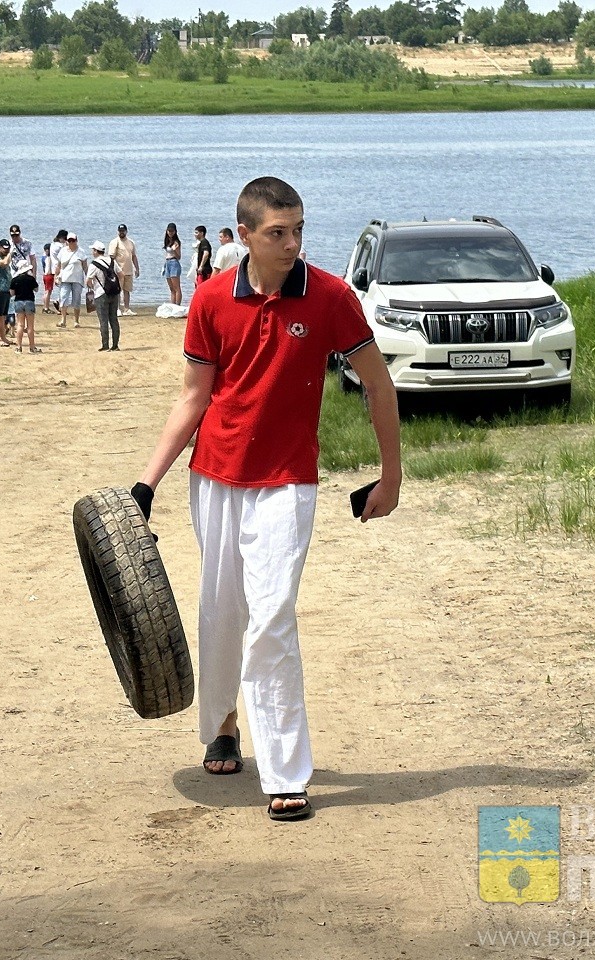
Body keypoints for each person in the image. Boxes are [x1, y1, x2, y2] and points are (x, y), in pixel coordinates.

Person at [131, 177, 402, 822]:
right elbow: (193, 397)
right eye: (278, 233)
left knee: (273, 613)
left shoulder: (331, 296)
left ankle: (285, 771)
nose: (293, 243)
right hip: (216, 477)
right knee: (221, 607)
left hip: (288, 481)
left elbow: (379, 385)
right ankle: (222, 720)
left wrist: (390, 476)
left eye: (299, 230)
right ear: (245, 234)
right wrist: (148, 482)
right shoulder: (210, 300)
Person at [86, 239, 120, 352]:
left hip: (101, 294)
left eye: (93, 250)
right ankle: (115, 345)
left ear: (96, 251)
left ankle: (105, 344)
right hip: (114, 293)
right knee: (114, 319)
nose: (92, 252)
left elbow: (88, 281)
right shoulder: (112, 261)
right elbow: (121, 274)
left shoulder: (94, 264)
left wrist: (92, 288)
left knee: (103, 320)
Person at [55, 233, 87, 329]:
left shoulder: (81, 252)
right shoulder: (63, 251)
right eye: (69, 240)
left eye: (73, 240)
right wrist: (55, 276)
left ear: (76, 241)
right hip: (65, 279)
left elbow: (85, 266)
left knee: (76, 300)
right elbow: (58, 265)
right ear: (67, 241)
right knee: (63, 298)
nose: (71, 242)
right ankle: (63, 320)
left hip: (77, 279)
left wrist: (89, 278)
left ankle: (76, 320)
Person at [107, 224, 140, 316]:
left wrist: (137, 268)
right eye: (120, 231)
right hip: (118, 271)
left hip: (128, 270)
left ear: (126, 231)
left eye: (123, 231)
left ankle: (126, 309)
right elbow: (111, 257)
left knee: (127, 290)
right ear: (118, 231)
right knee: (117, 290)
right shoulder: (115, 242)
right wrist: (112, 271)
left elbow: (133, 256)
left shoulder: (131, 242)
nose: (122, 232)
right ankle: (116, 308)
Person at [10, 261, 41, 354]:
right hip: (29, 301)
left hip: (18, 302)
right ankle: (32, 347)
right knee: (30, 326)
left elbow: (11, 293)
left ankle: (19, 347)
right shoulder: (31, 279)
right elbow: (36, 289)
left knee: (20, 325)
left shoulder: (15, 280)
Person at [47, 229, 68, 315]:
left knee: (60, 286)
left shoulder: (52, 245)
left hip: (53, 268)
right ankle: (59, 303)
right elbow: (65, 255)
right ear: (62, 238)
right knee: (63, 287)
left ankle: (59, 302)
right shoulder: (60, 246)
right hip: (60, 268)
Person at [161, 222, 183, 305]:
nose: (170, 233)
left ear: (175, 232)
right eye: (169, 231)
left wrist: (174, 250)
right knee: (171, 288)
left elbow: (179, 257)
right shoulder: (167, 241)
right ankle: (173, 305)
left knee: (176, 287)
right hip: (167, 263)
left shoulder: (176, 242)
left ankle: (177, 305)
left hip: (174, 262)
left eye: (172, 231)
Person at [40, 243, 56, 314]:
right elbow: (49, 268)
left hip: (45, 275)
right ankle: (46, 307)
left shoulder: (43, 257)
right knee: (48, 292)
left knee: (46, 291)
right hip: (49, 275)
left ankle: (45, 306)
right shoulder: (48, 258)